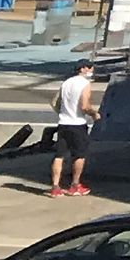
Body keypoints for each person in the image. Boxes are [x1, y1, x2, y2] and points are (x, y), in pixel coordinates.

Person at [49, 60, 100, 198]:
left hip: (63, 123)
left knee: (59, 155)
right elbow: (84, 106)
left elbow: (55, 102)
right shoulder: (85, 84)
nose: (91, 70)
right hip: (77, 123)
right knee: (79, 155)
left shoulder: (66, 83)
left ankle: (55, 187)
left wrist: (63, 113)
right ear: (83, 69)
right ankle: (75, 185)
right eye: (90, 68)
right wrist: (94, 114)